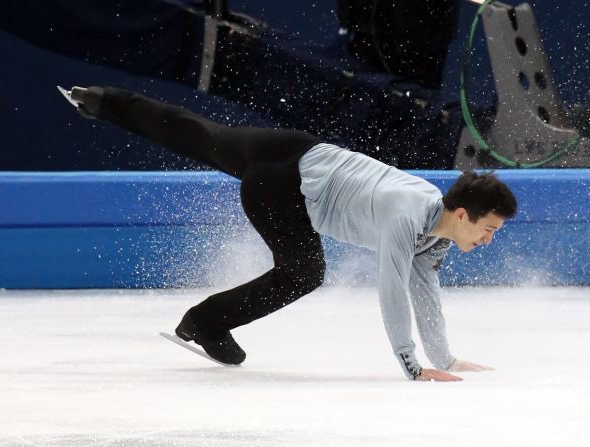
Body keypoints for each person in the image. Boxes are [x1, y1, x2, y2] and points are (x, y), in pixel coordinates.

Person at [60, 86, 517, 381]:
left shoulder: (435, 232)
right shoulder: (405, 216)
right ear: (462, 214)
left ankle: (103, 101)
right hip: (282, 182)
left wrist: (445, 359)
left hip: (297, 152)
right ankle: (206, 322)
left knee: (198, 134)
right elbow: (392, 288)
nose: (488, 240)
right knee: (304, 271)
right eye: (488, 229)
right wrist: (413, 367)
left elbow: (424, 287)